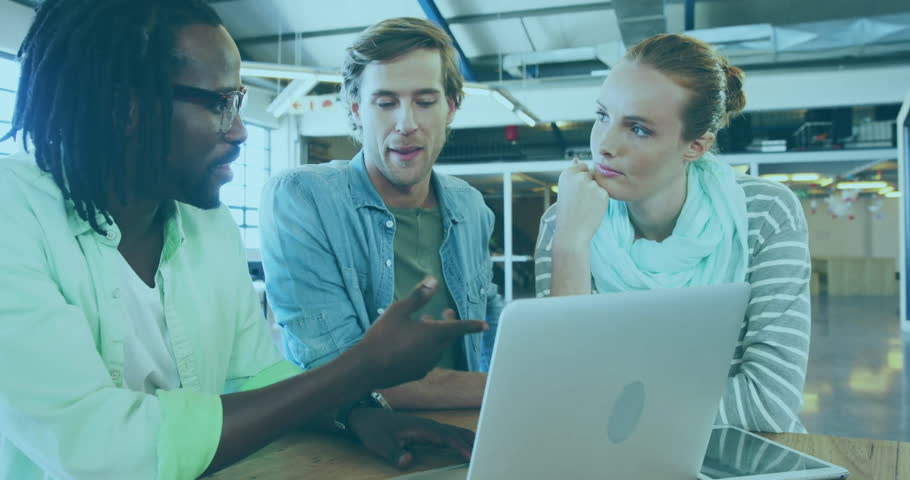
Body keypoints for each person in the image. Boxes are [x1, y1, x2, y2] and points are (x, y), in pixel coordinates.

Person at [0, 1, 489, 478]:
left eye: (237, 102)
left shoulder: (206, 225)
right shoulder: (13, 215)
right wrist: (359, 369)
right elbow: (101, 446)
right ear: (127, 107)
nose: (239, 131)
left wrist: (356, 415)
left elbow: (254, 375)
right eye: (219, 103)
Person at [534, 34, 810, 433]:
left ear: (695, 147)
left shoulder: (764, 212)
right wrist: (571, 246)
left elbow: (769, 405)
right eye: (602, 116)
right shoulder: (567, 220)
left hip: (738, 457)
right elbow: (562, 391)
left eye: (639, 129)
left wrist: (611, 413)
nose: (605, 145)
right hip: (611, 461)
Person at [260, 17, 502, 410]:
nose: (406, 124)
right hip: (351, 450)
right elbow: (338, 374)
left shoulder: (470, 206)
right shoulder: (303, 199)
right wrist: (512, 388)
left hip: (470, 435)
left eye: (425, 102)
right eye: (386, 103)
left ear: (451, 108)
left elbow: (489, 324)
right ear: (357, 109)